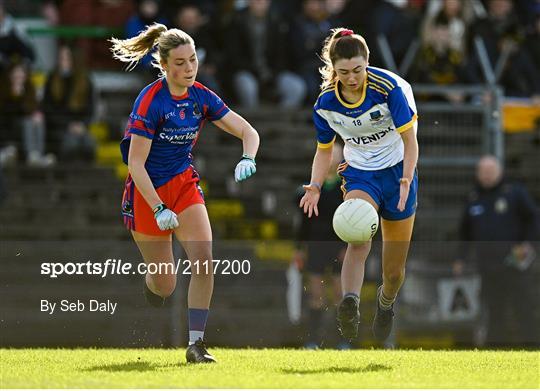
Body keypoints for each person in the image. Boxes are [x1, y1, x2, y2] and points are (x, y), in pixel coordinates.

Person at [110, 23, 260, 363]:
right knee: (166, 284)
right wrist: (159, 207)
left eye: (192, 60)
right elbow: (136, 164)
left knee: (204, 260)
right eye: (180, 62)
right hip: (147, 193)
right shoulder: (150, 100)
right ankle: (152, 284)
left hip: (184, 184)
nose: (189, 68)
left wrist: (248, 156)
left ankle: (196, 344)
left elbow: (247, 130)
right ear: (164, 65)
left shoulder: (201, 96)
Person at [299, 28, 419, 343]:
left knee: (394, 273)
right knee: (358, 235)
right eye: (343, 72)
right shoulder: (325, 103)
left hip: (397, 171)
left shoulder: (388, 88)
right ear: (332, 70)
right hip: (361, 171)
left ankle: (386, 302)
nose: (351, 78)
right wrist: (314, 185)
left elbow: (410, 140)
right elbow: (324, 150)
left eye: (357, 70)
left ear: (366, 63)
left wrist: (406, 179)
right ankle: (349, 302)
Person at [453, 155, 539, 347]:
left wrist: (528, 244)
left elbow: (533, 218)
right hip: (488, 267)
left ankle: (534, 349)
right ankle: (495, 351)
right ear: (478, 173)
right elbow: (465, 232)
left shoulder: (515, 193)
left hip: (515, 264)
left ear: (499, 172)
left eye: (491, 171)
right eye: (483, 171)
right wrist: (460, 258)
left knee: (523, 307)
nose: (487, 175)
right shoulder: (473, 198)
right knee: (493, 310)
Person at [295, 143, 348, 349]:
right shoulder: (310, 188)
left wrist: (349, 247)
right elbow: (303, 223)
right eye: (329, 152)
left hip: (339, 246)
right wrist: (299, 248)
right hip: (315, 245)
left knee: (339, 295)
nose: (333, 156)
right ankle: (313, 341)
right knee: (316, 295)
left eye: (337, 153)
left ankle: (344, 341)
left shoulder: (347, 187)